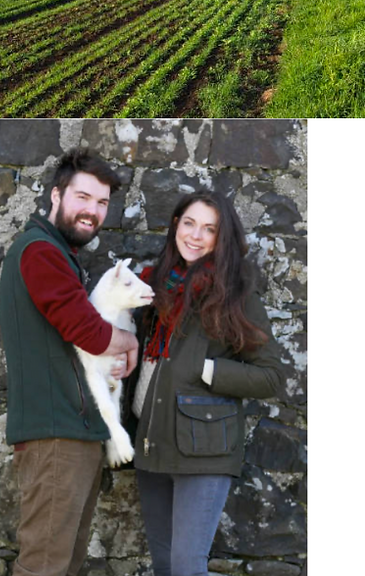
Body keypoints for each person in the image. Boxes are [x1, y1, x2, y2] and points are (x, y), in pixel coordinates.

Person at [0, 148, 140, 576]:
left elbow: (77, 346)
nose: (92, 211)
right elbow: (88, 332)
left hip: (70, 434)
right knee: (44, 567)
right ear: (56, 195)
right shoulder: (40, 251)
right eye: (83, 197)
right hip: (55, 435)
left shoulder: (58, 254)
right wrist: (128, 341)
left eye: (101, 203)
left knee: (63, 565)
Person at [130, 189, 285, 576]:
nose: (196, 236)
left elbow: (271, 376)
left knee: (186, 566)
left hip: (205, 450)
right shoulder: (152, 286)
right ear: (175, 227)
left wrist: (207, 369)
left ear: (222, 238)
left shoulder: (234, 293)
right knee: (164, 564)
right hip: (151, 441)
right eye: (189, 224)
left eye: (209, 229)